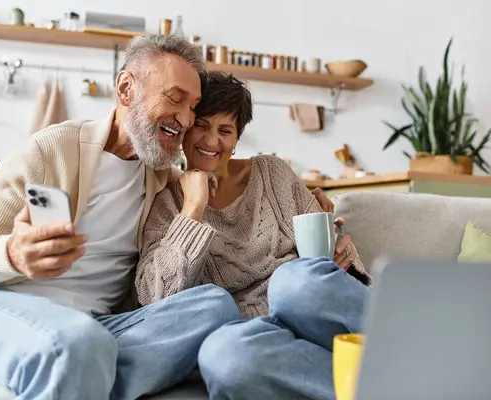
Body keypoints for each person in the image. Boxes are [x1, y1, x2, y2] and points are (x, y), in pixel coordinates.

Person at [0, 36, 240, 400]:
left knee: (214, 308)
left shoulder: (163, 179)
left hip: (95, 327)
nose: (185, 119)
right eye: (174, 98)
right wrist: (12, 254)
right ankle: (69, 368)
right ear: (125, 89)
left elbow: (228, 175)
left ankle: (35, 380)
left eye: (193, 106)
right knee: (81, 343)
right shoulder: (50, 150)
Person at [136, 71, 370, 400]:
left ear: (237, 137)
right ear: (186, 127)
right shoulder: (168, 204)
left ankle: (412, 341)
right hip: (256, 338)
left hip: (310, 313)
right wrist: (194, 207)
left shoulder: (272, 173)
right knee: (221, 356)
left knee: (293, 283)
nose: (211, 141)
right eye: (202, 125)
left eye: (225, 130)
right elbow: (154, 299)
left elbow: (332, 267)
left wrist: (341, 257)